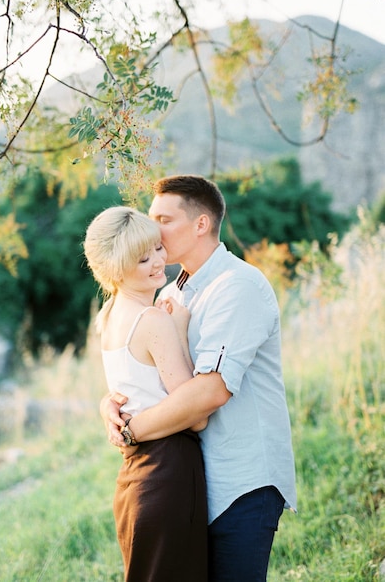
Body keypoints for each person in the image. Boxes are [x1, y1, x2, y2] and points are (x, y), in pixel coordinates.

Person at [104, 175, 297, 582]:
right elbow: (148, 374)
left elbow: (211, 391)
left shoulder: (237, 286)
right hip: (191, 482)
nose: (153, 229)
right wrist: (111, 405)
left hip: (241, 481)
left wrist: (131, 429)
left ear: (200, 224)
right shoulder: (170, 291)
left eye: (164, 219)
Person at [83, 205, 208, 582]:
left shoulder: (107, 317)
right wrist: (180, 329)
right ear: (115, 270)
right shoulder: (154, 320)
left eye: (156, 247)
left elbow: (126, 391)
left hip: (134, 480)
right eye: (143, 258)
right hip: (168, 473)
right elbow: (197, 413)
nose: (159, 261)